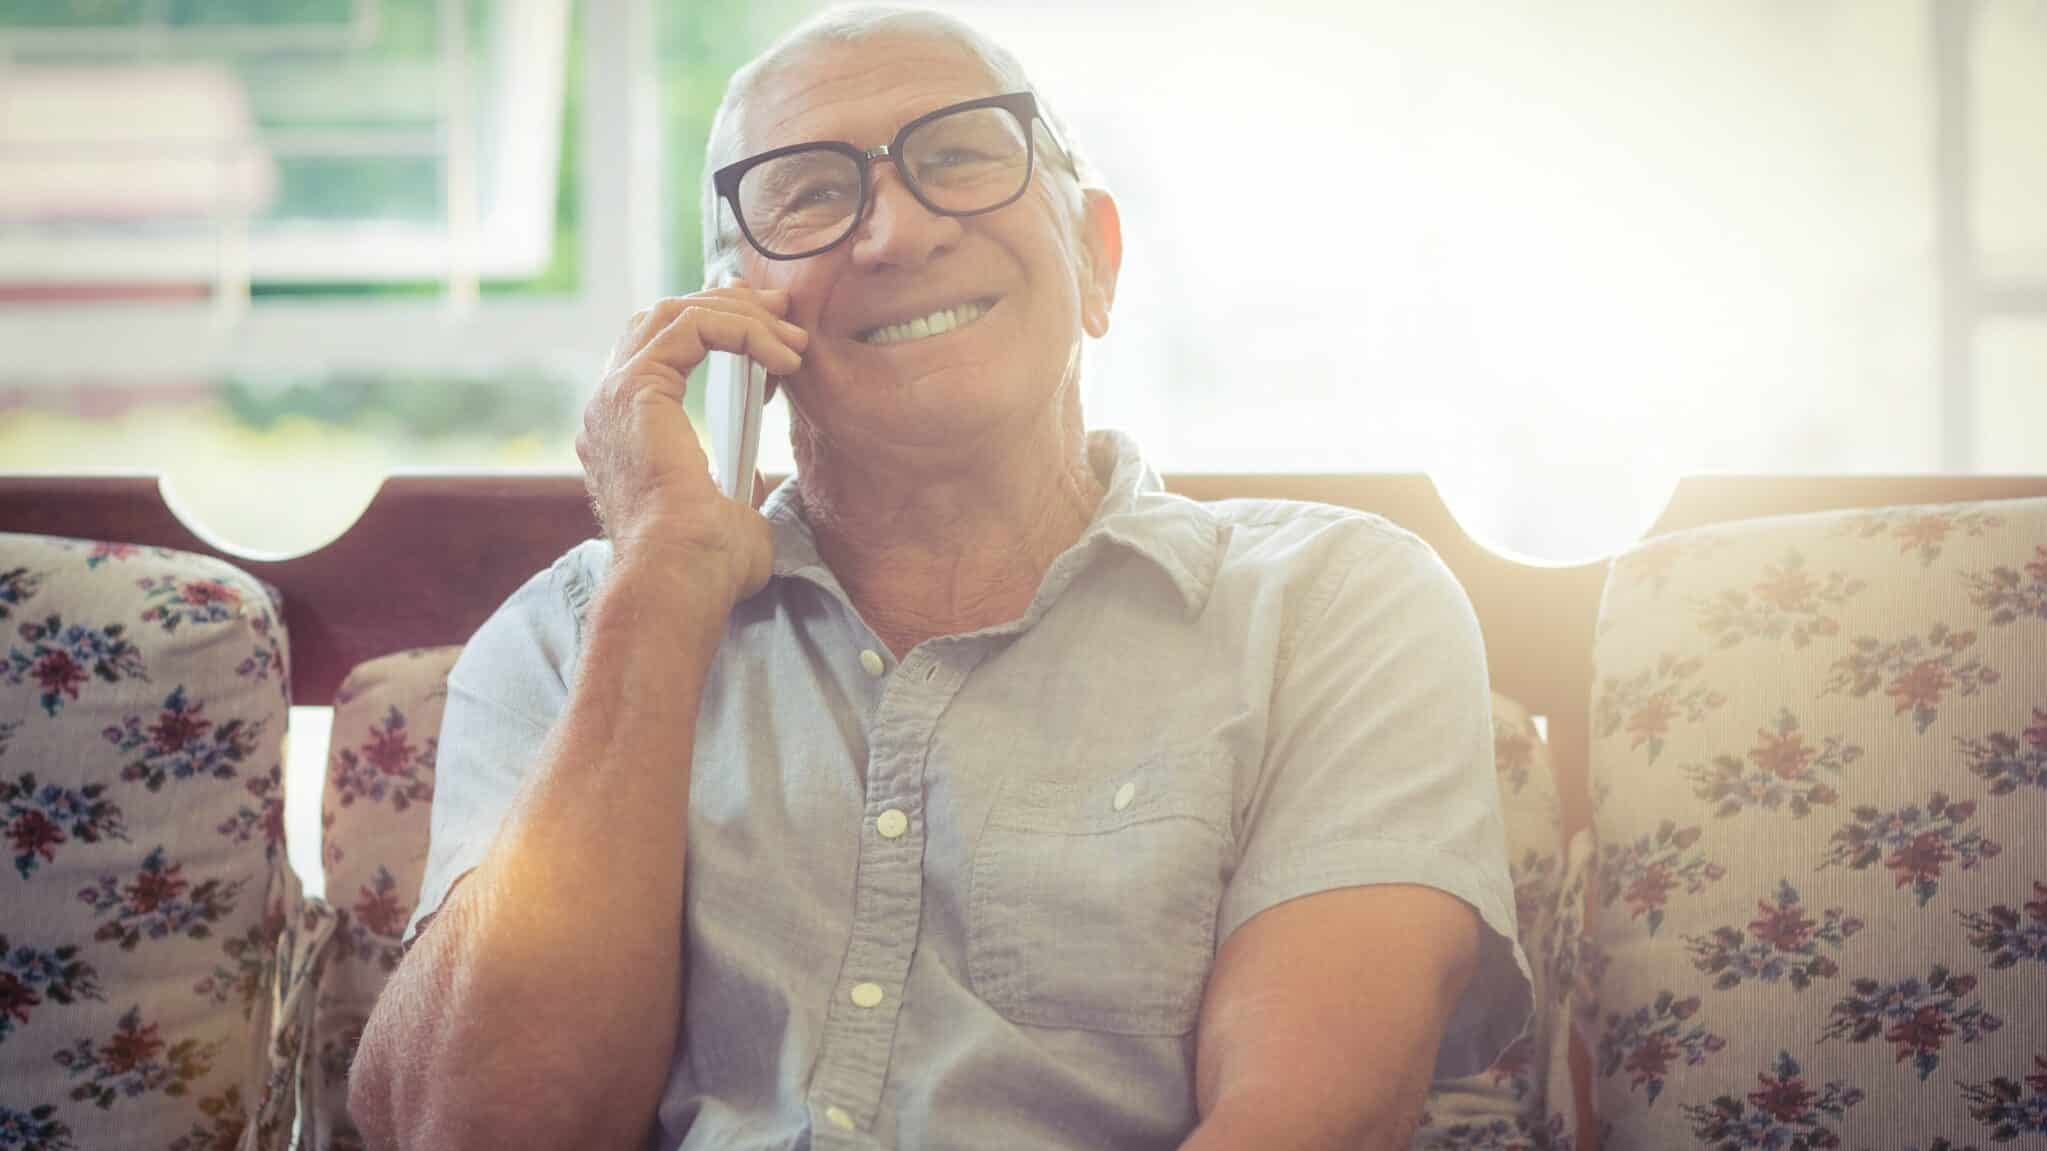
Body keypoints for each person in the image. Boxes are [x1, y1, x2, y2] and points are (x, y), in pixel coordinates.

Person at [348, 6, 1531, 1149]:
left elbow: (1312, 1118)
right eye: (811, 192)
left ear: (1096, 257)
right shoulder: (576, 633)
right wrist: (662, 576)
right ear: (734, 313)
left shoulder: (1333, 607)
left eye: (962, 157)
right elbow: (471, 1126)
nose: (897, 232)